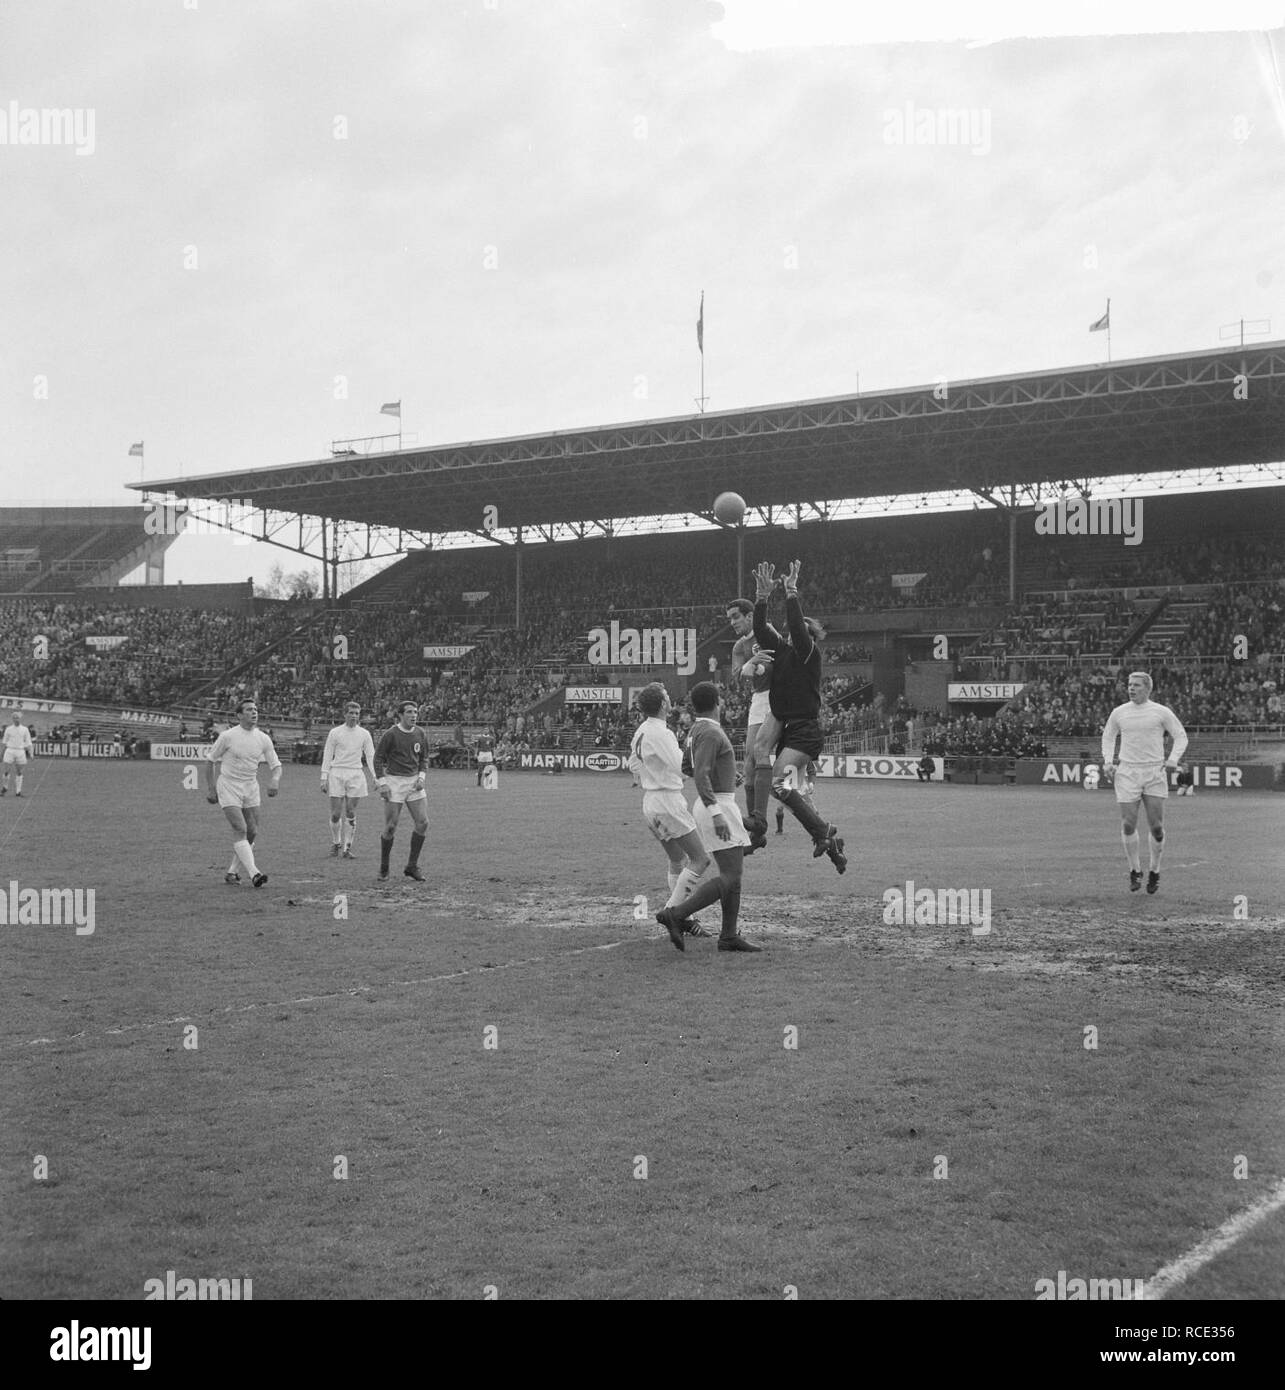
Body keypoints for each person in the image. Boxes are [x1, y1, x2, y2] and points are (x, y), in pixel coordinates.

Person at [748, 560, 846, 872]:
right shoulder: (782, 649)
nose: (792, 633)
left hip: (804, 730)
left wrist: (791, 591)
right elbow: (761, 629)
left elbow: (794, 625)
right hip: (783, 722)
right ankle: (763, 823)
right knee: (759, 754)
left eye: (799, 630)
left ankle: (819, 830)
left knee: (778, 782)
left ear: (808, 635)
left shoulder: (808, 653)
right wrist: (762, 597)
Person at [655, 682, 761, 952]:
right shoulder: (712, 731)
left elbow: (688, 767)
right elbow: (700, 773)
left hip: (715, 801)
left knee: (733, 874)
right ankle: (676, 915)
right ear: (718, 702)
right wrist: (716, 812)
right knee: (730, 876)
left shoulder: (696, 730)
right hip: (717, 806)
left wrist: (725, 776)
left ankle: (728, 936)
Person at [628, 682, 713, 947]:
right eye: (667, 696)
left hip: (651, 803)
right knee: (700, 859)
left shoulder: (642, 731)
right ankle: (674, 912)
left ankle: (681, 916)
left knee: (677, 860)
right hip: (667, 801)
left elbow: (632, 763)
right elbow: (681, 766)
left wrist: (651, 775)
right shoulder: (660, 733)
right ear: (663, 704)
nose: (670, 699)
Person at [1101, 671, 1188, 894]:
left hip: (1154, 771)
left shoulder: (1160, 712)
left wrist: (1172, 760)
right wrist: (1108, 762)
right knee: (1128, 824)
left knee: (1157, 828)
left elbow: (1180, 735)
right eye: (1129, 685)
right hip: (1127, 771)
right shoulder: (1119, 712)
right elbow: (1109, 736)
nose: (1131, 688)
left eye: (1137, 685)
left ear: (1148, 689)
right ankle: (1134, 870)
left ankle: (1155, 871)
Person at [726, 598, 784, 854]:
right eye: (730, 618)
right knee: (749, 757)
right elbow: (739, 676)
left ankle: (759, 821)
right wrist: (754, 665)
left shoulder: (769, 632)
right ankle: (756, 831)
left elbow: (779, 663)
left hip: (778, 695)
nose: (733, 622)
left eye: (736, 616)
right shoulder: (739, 646)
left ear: (750, 616)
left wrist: (760, 666)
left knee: (760, 750)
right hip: (759, 699)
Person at [205, 699, 281, 887]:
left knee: (252, 832)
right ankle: (255, 874)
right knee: (240, 829)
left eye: (255, 709)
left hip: (250, 787)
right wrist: (211, 788)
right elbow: (210, 761)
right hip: (229, 785)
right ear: (239, 715)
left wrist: (274, 779)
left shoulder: (263, 738)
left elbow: (276, 765)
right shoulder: (227, 736)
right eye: (249, 710)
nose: (254, 712)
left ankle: (232, 872)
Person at [374, 700, 430, 881]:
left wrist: (421, 777)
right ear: (400, 715)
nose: (413, 715)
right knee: (390, 827)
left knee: (423, 823)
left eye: (415, 712)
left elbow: (424, 758)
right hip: (394, 782)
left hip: (414, 782)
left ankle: (412, 866)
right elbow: (378, 759)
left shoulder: (420, 733)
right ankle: (384, 867)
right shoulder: (391, 734)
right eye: (409, 712)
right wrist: (382, 783)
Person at [320, 702, 377, 859]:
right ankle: (336, 842)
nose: (354, 716)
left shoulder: (364, 734)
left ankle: (347, 848)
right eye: (351, 712)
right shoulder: (335, 732)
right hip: (337, 773)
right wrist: (323, 777)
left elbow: (371, 756)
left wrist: (376, 776)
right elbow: (327, 754)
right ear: (344, 714)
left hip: (356, 774)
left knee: (351, 811)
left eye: (357, 713)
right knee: (336, 814)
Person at [1, 712, 35, 797]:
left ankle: (18, 792)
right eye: (15, 718)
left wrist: (31, 753)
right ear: (12, 719)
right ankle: (4, 787)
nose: (16, 719)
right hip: (10, 750)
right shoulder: (8, 729)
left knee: (19, 772)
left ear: (20, 718)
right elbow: (4, 742)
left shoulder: (25, 729)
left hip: (20, 751)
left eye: (18, 718)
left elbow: (28, 742)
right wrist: (1, 753)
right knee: (6, 770)